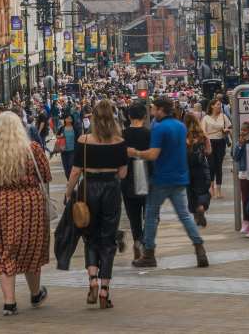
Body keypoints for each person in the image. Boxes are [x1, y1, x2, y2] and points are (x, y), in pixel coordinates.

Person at [0, 112, 51, 316]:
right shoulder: (32, 149)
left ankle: (9, 302)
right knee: (30, 248)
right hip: (29, 204)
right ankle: (35, 293)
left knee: (3, 251)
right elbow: (45, 175)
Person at [129, 96, 208, 269]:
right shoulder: (180, 126)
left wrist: (135, 152)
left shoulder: (158, 127)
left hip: (161, 179)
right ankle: (199, 248)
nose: (151, 112)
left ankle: (149, 253)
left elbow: (153, 154)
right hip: (180, 177)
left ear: (160, 110)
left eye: (154, 109)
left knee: (150, 216)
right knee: (185, 216)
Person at [64, 100, 127, 310]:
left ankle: (92, 280)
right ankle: (104, 290)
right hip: (110, 188)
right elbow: (123, 173)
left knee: (90, 235)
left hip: (88, 188)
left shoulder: (84, 140)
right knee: (108, 239)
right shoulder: (119, 141)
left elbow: (75, 171)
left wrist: (67, 192)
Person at [121, 103, 150, 261]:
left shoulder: (122, 135)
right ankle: (144, 241)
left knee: (134, 217)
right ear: (144, 116)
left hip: (128, 180)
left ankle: (137, 240)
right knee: (150, 215)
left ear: (129, 116)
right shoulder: (149, 134)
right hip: (147, 178)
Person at [184, 114, 212, 227]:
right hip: (201, 168)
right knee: (203, 191)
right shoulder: (202, 135)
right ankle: (201, 207)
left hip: (187, 169)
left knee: (191, 192)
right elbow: (208, 151)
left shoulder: (183, 136)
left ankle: (196, 216)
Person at [201, 99, 231, 199]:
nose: (219, 106)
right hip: (210, 142)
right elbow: (203, 131)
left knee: (219, 166)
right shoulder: (206, 118)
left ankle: (218, 190)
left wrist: (226, 130)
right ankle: (211, 189)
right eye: (218, 105)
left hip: (220, 142)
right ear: (212, 106)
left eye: (220, 105)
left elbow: (229, 127)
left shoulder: (223, 116)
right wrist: (207, 140)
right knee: (211, 166)